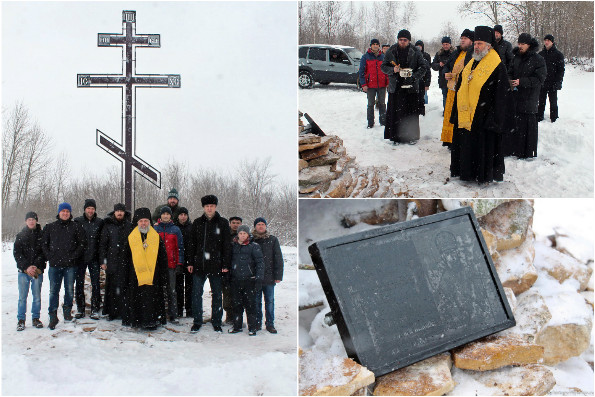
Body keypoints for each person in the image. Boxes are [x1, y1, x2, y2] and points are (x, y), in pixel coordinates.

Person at [450, 26, 512, 184]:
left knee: (482, 147)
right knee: (466, 144)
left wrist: (494, 117)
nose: (476, 47)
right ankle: (466, 172)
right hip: (467, 114)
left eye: (480, 44)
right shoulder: (472, 61)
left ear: (489, 45)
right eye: (475, 43)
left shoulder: (496, 65)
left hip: (484, 116)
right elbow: (462, 85)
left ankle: (481, 174)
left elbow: (502, 95)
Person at [188, 195, 231, 333]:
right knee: (196, 294)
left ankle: (216, 321)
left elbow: (226, 245)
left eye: (212, 206)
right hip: (199, 264)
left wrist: (225, 264)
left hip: (216, 265)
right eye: (207, 206)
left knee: (217, 295)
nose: (209, 208)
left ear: (216, 207)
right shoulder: (197, 223)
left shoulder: (223, 223)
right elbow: (191, 244)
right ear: (203, 207)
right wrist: (190, 262)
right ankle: (197, 321)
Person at [41, 202, 87, 330]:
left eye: (67, 211)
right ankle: (53, 316)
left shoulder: (76, 227)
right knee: (53, 291)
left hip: (70, 266)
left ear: (70, 213)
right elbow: (44, 244)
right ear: (59, 212)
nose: (65, 213)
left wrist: (73, 256)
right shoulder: (50, 227)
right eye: (63, 211)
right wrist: (50, 256)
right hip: (55, 266)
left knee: (69, 290)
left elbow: (82, 244)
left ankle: (67, 313)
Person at [122, 207, 168, 330]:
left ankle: (152, 321)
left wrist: (163, 274)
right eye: (141, 221)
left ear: (150, 222)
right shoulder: (131, 237)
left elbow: (162, 257)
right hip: (135, 275)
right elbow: (125, 258)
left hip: (154, 275)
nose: (143, 223)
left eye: (146, 221)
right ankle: (137, 321)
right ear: (137, 222)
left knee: (151, 300)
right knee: (137, 299)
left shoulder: (156, 237)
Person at [381, 29, 429, 145]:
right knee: (395, 113)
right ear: (398, 40)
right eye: (400, 40)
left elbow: (423, 67)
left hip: (411, 87)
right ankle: (395, 137)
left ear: (409, 40)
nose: (402, 42)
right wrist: (393, 70)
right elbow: (383, 66)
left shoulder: (415, 51)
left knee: (410, 113)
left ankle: (411, 137)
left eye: (405, 40)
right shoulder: (391, 51)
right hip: (396, 86)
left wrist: (413, 76)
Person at [505, 33, 546, 159]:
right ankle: (512, 149)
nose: (520, 46)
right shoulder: (515, 57)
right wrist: (510, 80)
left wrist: (521, 82)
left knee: (526, 127)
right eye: (519, 43)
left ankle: (525, 152)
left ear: (529, 44)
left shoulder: (538, 59)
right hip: (515, 96)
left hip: (529, 98)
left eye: (523, 44)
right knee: (514, 124)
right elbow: (510, 72)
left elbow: (540, 79)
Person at [228, 225, 264, 336]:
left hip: (249, 280)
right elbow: (229, 261)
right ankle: (237, 326)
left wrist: (258, 278)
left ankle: (252, 327)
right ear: (237, 234)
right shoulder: (233, 246)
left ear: (248, 234)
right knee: (237, 305)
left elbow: (260, 263)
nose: (242, 235)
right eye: (240, 233)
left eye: (244, 233)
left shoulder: (254, 246)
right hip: (236, 280)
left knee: (250, 305)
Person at [441, 29, 475, 148]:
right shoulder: (456, 53)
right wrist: (445, 73)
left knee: (459, 116)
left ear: (471, 41)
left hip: (463, 91)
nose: (462, 41)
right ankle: (449, 140)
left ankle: (457, 140)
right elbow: (446, 66)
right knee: (450, 114)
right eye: (461, 39)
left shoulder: (473, 54)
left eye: (465, 39)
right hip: (452, 89)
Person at [99, 203, 132, 321]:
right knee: (112, 288)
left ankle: (124, 312)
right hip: (111, 261)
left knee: (124, 287)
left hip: (125, 261)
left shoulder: (129, 225)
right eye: (117, 211)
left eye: (121, 211)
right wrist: (103, 261)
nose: (119, 213)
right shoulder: (108, 226)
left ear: (124, 212)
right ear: (114, 212)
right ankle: (112, 312)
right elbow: (103, 244)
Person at [14, 211, 46, 331]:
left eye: (33, 219)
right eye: (29, 219)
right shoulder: (21, 235)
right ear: (26, 221)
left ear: (36, 220)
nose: (31, 221)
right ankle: (21, 320)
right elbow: (17, 253)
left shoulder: (42, 235)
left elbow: (44, 252)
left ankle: (36, 318)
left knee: (36, 296)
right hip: (23, 271)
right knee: (22, 297)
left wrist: (35, 266)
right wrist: (27, 267)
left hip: (37, 271)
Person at [251, 217, 284, 334]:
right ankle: (257, 323)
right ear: (255, 226)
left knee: (269, 301)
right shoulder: (251, 240)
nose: (260, 226)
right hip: (255, 278)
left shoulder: (272, 240)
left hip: (269, 277)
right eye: (258, 224)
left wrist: (278, 275)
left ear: (265, 226)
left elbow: (278, 258)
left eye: (262, 224)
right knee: (256, 301)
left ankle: (270, 324)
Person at [73, 199, 104, 319]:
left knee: (96, 284)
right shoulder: (77, 221)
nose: (90, 210)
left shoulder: (100, 222)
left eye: (92, 208)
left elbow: (102, 240)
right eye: (88, 208)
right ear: (84, 209)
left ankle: (95, 309)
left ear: (95, 210)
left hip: (94, 257)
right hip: (80, 258)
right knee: (79, 283)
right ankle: (80, 309)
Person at [153, 206, 184, 324]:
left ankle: (173, 314)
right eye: (163, 214)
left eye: (167, 214)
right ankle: (159, 313)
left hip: (171, 265)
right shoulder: (155, 229)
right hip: (158, 265)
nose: (165, 216)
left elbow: (180, 248)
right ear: (160, 215)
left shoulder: (175, 230)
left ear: (171, 216)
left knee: (172, 290)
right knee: (158, 290)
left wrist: (179, 263)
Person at [359, 38, 388, 128]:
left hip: (382, 85)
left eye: (377, 44)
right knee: (371, 104)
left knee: (382, 104)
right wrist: (363, 84)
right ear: (371, 45)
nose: (375, 46)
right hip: (370, 85)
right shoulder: (365, 57)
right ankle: (370, 123)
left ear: (379, 46)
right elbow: (361, 72)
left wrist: (387, 82)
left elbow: (387, 71)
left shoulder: (383, 57)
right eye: (374, 44)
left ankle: (383, 122)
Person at [538, 34, 565, 122]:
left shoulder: (558, 54)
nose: (546, 42)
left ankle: (554, 119)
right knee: (541, 102)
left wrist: (558, 82)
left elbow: (561, 70)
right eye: (545, 40)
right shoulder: (541, 54)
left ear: (552, 42)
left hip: (553, 83)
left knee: (553, 103)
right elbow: (537, 69)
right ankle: (539, 117)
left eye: (548, 40)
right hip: (542, 82)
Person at [175, 207, 193, 318]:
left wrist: (192, 260)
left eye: (185, 214)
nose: (183, 216)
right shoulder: (175, 228)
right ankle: (179, 309)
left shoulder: (192, 227)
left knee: (190, 287)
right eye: (181, 214)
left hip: (190, 260)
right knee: (179, 287)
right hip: (178, 261)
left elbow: (194, 245)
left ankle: (190, 309)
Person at [225, 216, 243, 323]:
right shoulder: (226, 235)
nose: (235, 224)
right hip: (227, 269)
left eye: (238, 223)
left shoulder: (244, 236)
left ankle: (238, 318)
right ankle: (229, 317)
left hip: (240, 270)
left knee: (239, 296)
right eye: (233, 222)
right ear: (230, 223)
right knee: (227, 295)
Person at [431, 36, 454, 110]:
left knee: (453, 97)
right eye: (444, 44)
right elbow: (433, 65)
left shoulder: (455, 53)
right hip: (443, 80)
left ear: (450, 44)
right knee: (445, 97)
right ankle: (446, 112)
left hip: (453, 79)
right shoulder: (439, 54)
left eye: (447, 44)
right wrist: (439, 65)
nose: (445, 46)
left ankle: (452, 113)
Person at [414, 40, 432, 116]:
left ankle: (421, 113)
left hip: (422, 81)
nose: (418, 47)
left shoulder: (425, 58)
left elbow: (428, 72)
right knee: (413, 99)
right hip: (413, 82)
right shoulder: (411, 56)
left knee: (421, 98)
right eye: (417, 46)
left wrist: (427, 84)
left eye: (420, 46)